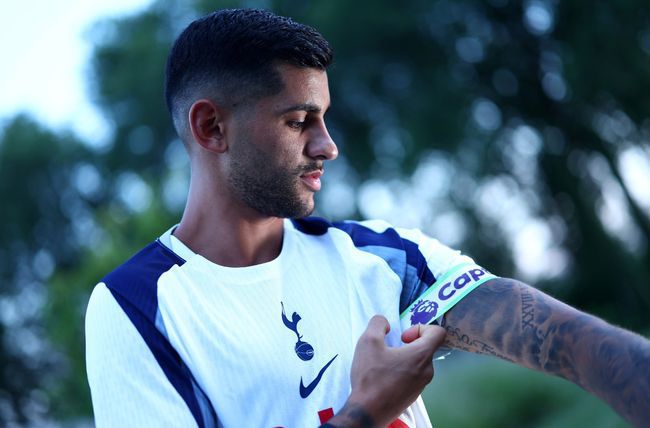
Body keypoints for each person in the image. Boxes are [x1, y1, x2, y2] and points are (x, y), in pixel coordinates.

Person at [85, 8, 650, 428]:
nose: (327, 146)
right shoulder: (135, 307)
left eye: (324, 118)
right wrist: (366, 412)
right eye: (299, 121)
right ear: (211, 127)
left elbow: (570, 341)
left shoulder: (382, 256)